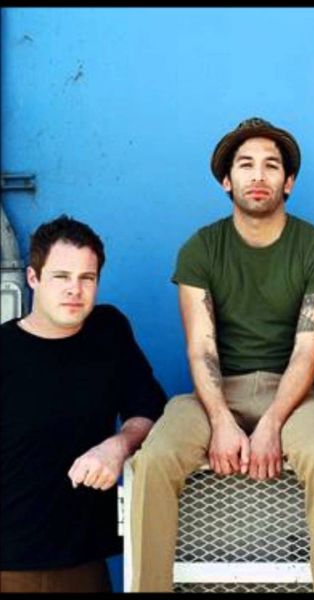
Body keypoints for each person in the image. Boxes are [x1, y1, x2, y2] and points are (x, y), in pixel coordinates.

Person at [129, 117, 314, 592]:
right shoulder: (201, 248)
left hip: (291, 391)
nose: (258, 175)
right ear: (226, 181)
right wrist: (221, 420)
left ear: (288, 182)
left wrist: (271, 422)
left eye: (271, 165)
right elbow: (201, 347)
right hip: (214, 391)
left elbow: (309, 349)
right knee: (155, 459)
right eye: (245, 164)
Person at [0, 216, 166, 593]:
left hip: (85, 564)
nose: (74, 290)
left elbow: (151, 411)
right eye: (61, 276)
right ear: (33, 278)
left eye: (86, 278)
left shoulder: (108, 332)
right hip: (10, 567)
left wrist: (118, 446)